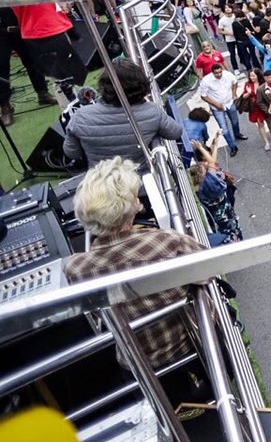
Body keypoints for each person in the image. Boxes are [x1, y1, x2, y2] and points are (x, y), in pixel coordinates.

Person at [64, 156, 210, 404]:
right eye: (135, 195)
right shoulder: (167, 242)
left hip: (136, 363)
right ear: (128, 207)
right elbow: (208, 271)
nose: (138, 200)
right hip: (189, 346)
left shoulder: (75, 268)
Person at [63, 59, 183, 170]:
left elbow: (72, 153)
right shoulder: (152, 111)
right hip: (138, 180)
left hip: (100, 181)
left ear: (104, 86)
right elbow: (176, 132)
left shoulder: (80, 116)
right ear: (141, 84)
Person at [198, 61, 245, 156]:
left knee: (235, 121)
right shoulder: (206, 81)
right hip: (217, 107)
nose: (219, 74)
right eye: (216, 73)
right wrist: (216, 104)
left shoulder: (228, 75)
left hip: (229, 103)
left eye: (220, 72)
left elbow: (235, 82)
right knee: (224, 128)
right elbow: (203, 96)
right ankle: (232, 146)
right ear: (212, 72)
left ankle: (237, 134)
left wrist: (234, 93)